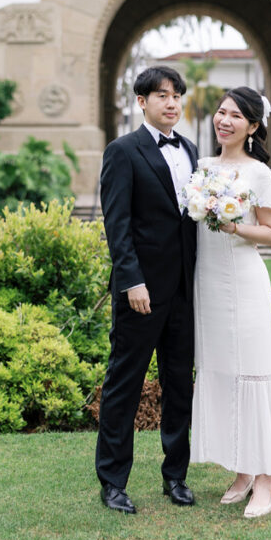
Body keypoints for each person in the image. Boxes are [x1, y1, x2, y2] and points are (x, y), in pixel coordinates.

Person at [95, 66, 199, 515]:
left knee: (179, 386)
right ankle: (113, 483)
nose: (172, 103)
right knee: (125, 385)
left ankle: (175, 477)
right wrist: (132, 280)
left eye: (177, 95)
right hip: (140, 292)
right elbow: (117, 226)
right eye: (162, 95)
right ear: (142, 102)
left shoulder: (192, 150)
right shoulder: (123, 151)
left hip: (183, 292)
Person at [188, 86, 271, 518]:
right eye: (220, 112)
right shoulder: (203, 167)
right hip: (207, 284)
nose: (223, 120)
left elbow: (270, 233)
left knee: (252, 372)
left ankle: (266, 480)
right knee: (223, 373)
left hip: (245, 283)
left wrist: (234, 228)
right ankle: (241, 471)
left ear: (252, 127)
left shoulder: (259, 174)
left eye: (235, 116)